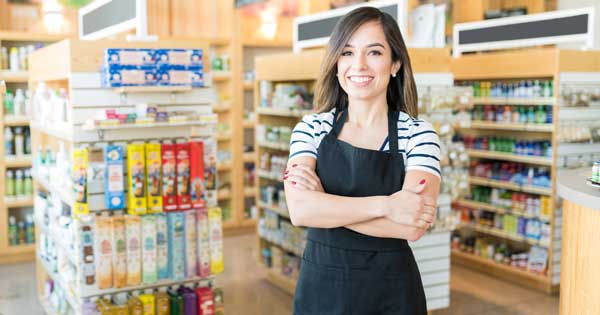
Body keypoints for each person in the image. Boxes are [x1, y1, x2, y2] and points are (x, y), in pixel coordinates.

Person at [283, 6, 441, 315]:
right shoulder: (311, 127)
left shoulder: (419, 134)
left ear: (395, 63)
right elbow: (300, 210)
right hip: (322, 291)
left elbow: (412, 227)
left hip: (392, 294)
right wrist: (388, 206)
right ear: (336, 62)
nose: (359, 65)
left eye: (374, 52)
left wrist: (325, 205)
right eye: (347, 53)